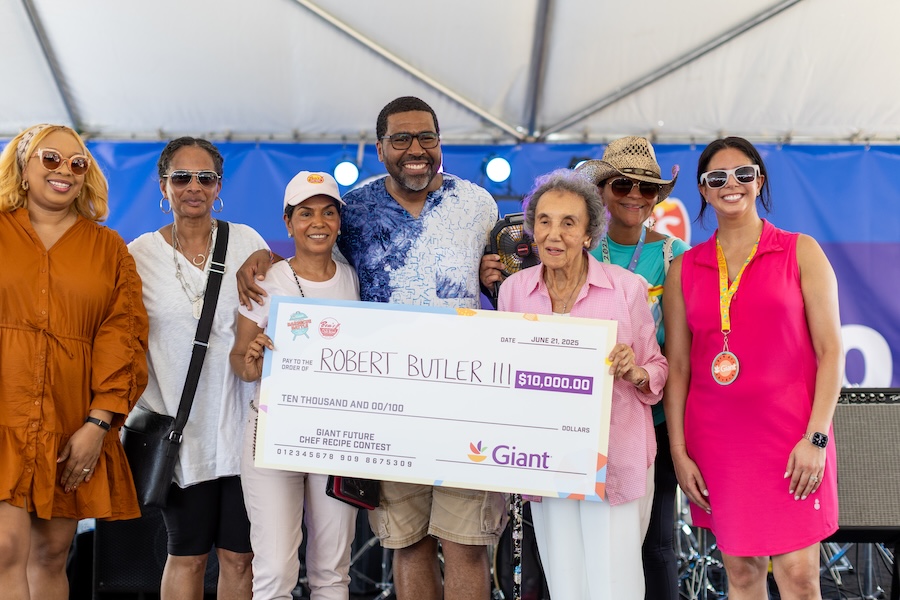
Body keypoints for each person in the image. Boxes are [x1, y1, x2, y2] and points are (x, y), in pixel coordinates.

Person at [236, 96, 504, 600]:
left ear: (440, 142)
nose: (415, 149)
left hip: (461, 402)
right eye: (400, 139)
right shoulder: (354, 207)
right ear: (380, 149)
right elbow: (312, 254)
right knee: (408, 544)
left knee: (467, 544)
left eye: (427, 136)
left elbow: (501, 280)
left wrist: (496, 279)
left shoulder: (480, 205)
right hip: (385, 409)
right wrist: (263, 255)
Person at [663, 137, 842, 600]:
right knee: (742, 577)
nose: (731, 185)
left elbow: (831, 352)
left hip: (792, 440)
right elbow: (678, 367)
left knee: (800, 579)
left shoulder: (801, 251)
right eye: (716, 178)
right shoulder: (683, 268)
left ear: (759, 180)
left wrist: (816, 438)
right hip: (719, 445)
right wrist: (680, 452)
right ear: (703, 190)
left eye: (743, 173)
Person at [498, 168, 668, 600]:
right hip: (549, 460)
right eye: (544, 220)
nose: (554, 234)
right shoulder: (514, 292)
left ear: (590, 234)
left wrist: (636, 370)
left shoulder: (627, 288)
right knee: (566, 584)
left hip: (616, 457)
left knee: (615, 586)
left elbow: (657, 368)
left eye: (568, 223)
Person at [0, 124, 149, 599]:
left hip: (70, 422)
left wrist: (98, 424)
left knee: (50, 553)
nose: (64, 170)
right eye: (50, 159)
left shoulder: (109, 250)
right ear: (23, 167)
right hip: (4, 414)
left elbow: (123, 338)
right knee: (5, 547)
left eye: (77, 163)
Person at [128, 137, 269, 600]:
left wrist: (273, 258)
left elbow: (283, 294)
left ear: (218, 186)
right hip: (179, 432)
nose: (194, 186)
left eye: (205, 178)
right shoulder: (138, 256)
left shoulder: (247, 242)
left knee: (240, 558)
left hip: (241, 426)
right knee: (185, 555)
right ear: (163, 185)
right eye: (181, 177)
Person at [230, 171, 360, 599]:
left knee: (332, 573)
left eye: (327, 212)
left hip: (334, 437)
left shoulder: (353, 279)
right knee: (275, 571)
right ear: (288, 222)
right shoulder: (266, 280)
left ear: (339, 221)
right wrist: (253, 360)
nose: (317, 222)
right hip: (273, 435)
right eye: (305, 213)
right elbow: (241, 362)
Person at [575, 136, 688, 600]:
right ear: (601, 190)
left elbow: (679, 352)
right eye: (623, 184)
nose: (635, 196)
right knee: (579, 544)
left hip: (651, 419)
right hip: (583, 421)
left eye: (648, 188)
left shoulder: (673, 255)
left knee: (655, 547)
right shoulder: (577, 249)